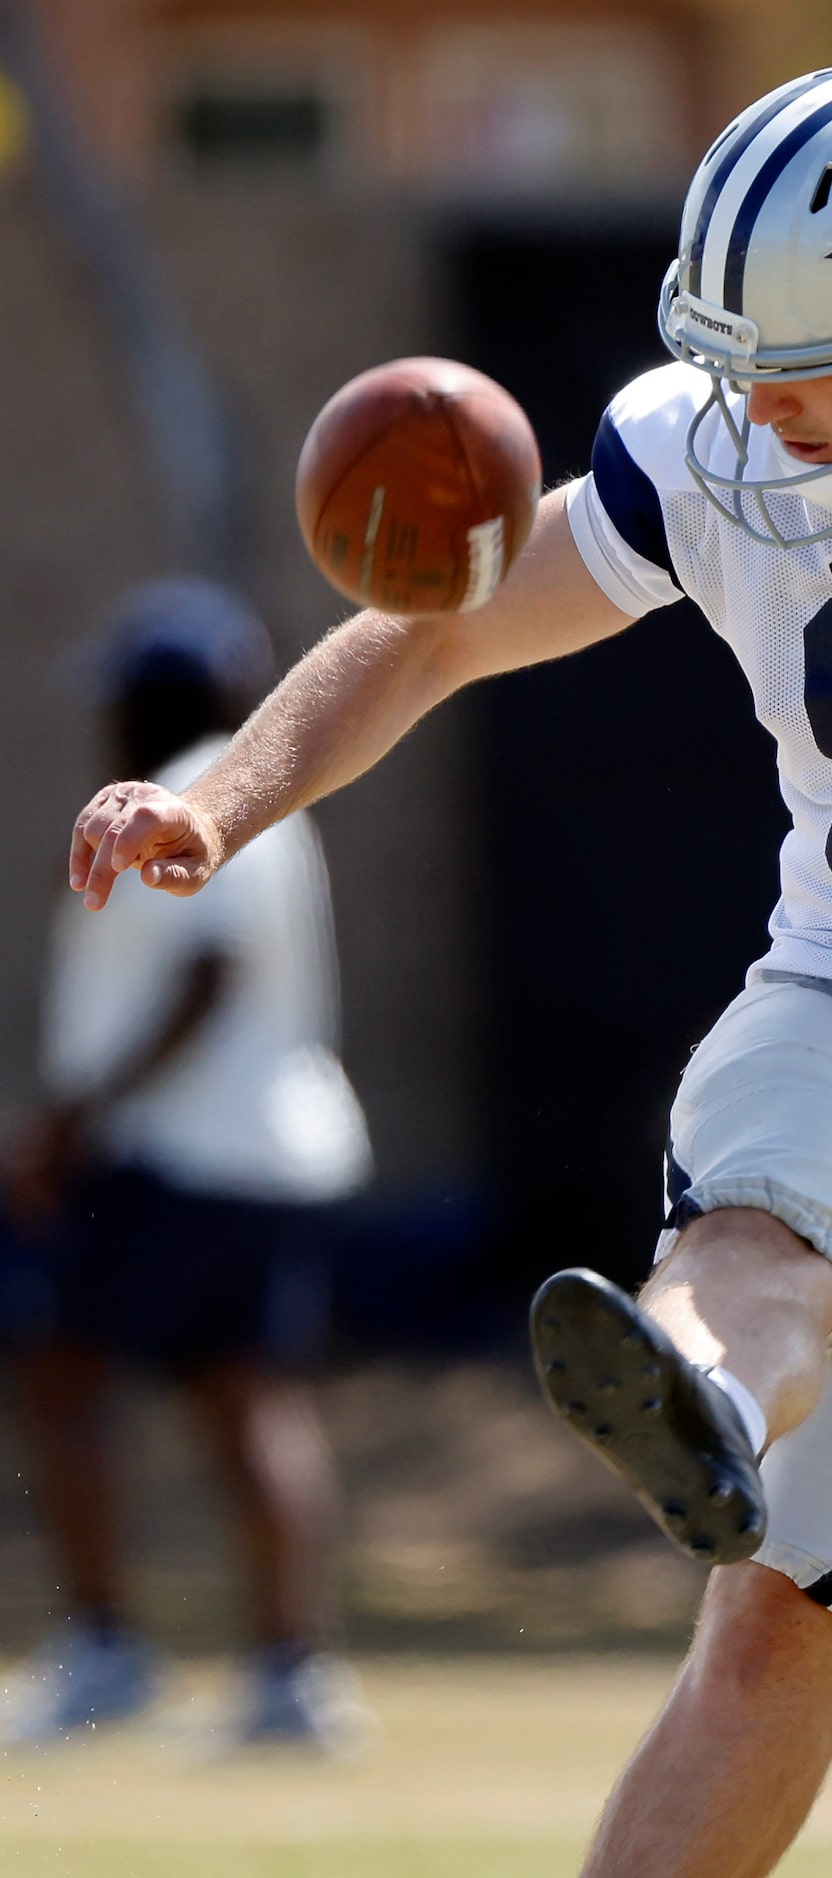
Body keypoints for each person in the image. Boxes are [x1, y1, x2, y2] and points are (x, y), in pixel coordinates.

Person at [66, 64, 832, 1874]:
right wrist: (224, 802)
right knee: (760, 1216)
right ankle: (702, 1392)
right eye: (729, 358)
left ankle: (733, 1415)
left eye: (795, 366)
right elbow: (433, 640)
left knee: (780, 1620)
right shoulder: (718, 440)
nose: (752, 408)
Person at [2, 578, 373, 1752]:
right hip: (273, 1152)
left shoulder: (198, 792)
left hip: (177, 1157)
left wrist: (70, 1122)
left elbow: (202, 978)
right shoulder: (256, 786)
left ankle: (106, 1648)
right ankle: (289, 1674)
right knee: (249, 1401)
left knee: (60, 1367)